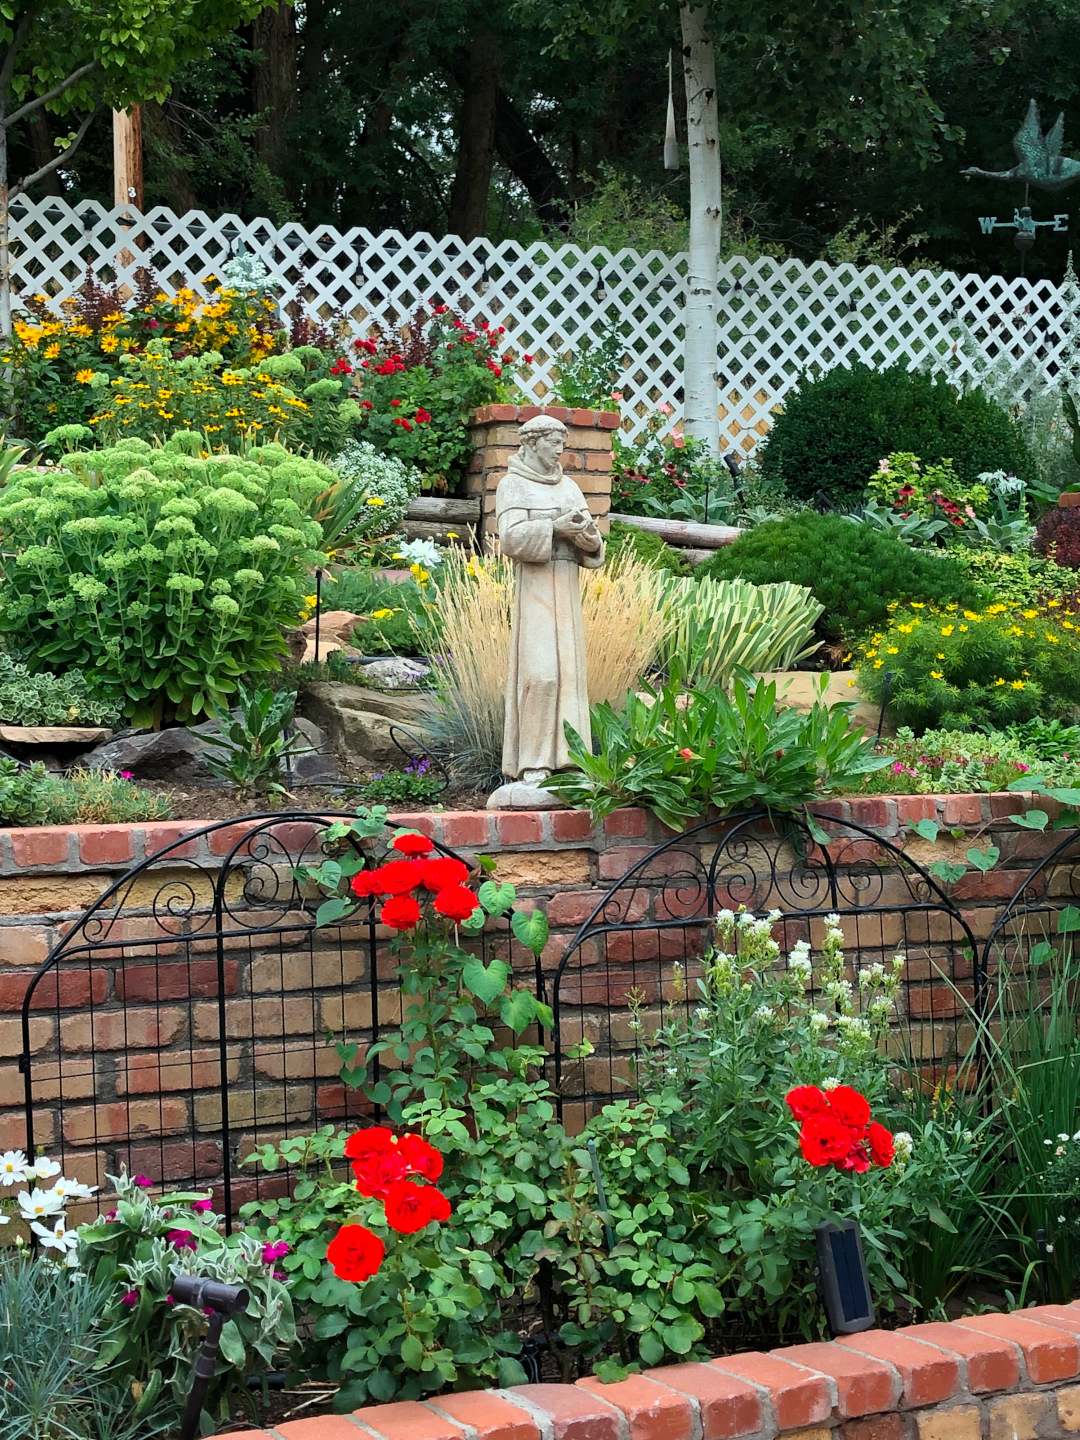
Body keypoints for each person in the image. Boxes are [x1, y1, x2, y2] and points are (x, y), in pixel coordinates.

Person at [487, 414, 605, 808]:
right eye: (553, 442)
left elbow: (594, 545)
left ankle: (570, 762)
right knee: (541, 675)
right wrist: (555, 529)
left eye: (563, 442)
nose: (560, 449)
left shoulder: (570, 487)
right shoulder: (512, 485)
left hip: (566, 581)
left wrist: (585, 536)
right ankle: (533, 764)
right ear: (533, 442)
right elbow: (511, 540)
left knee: (570, 676)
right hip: (536, 585)